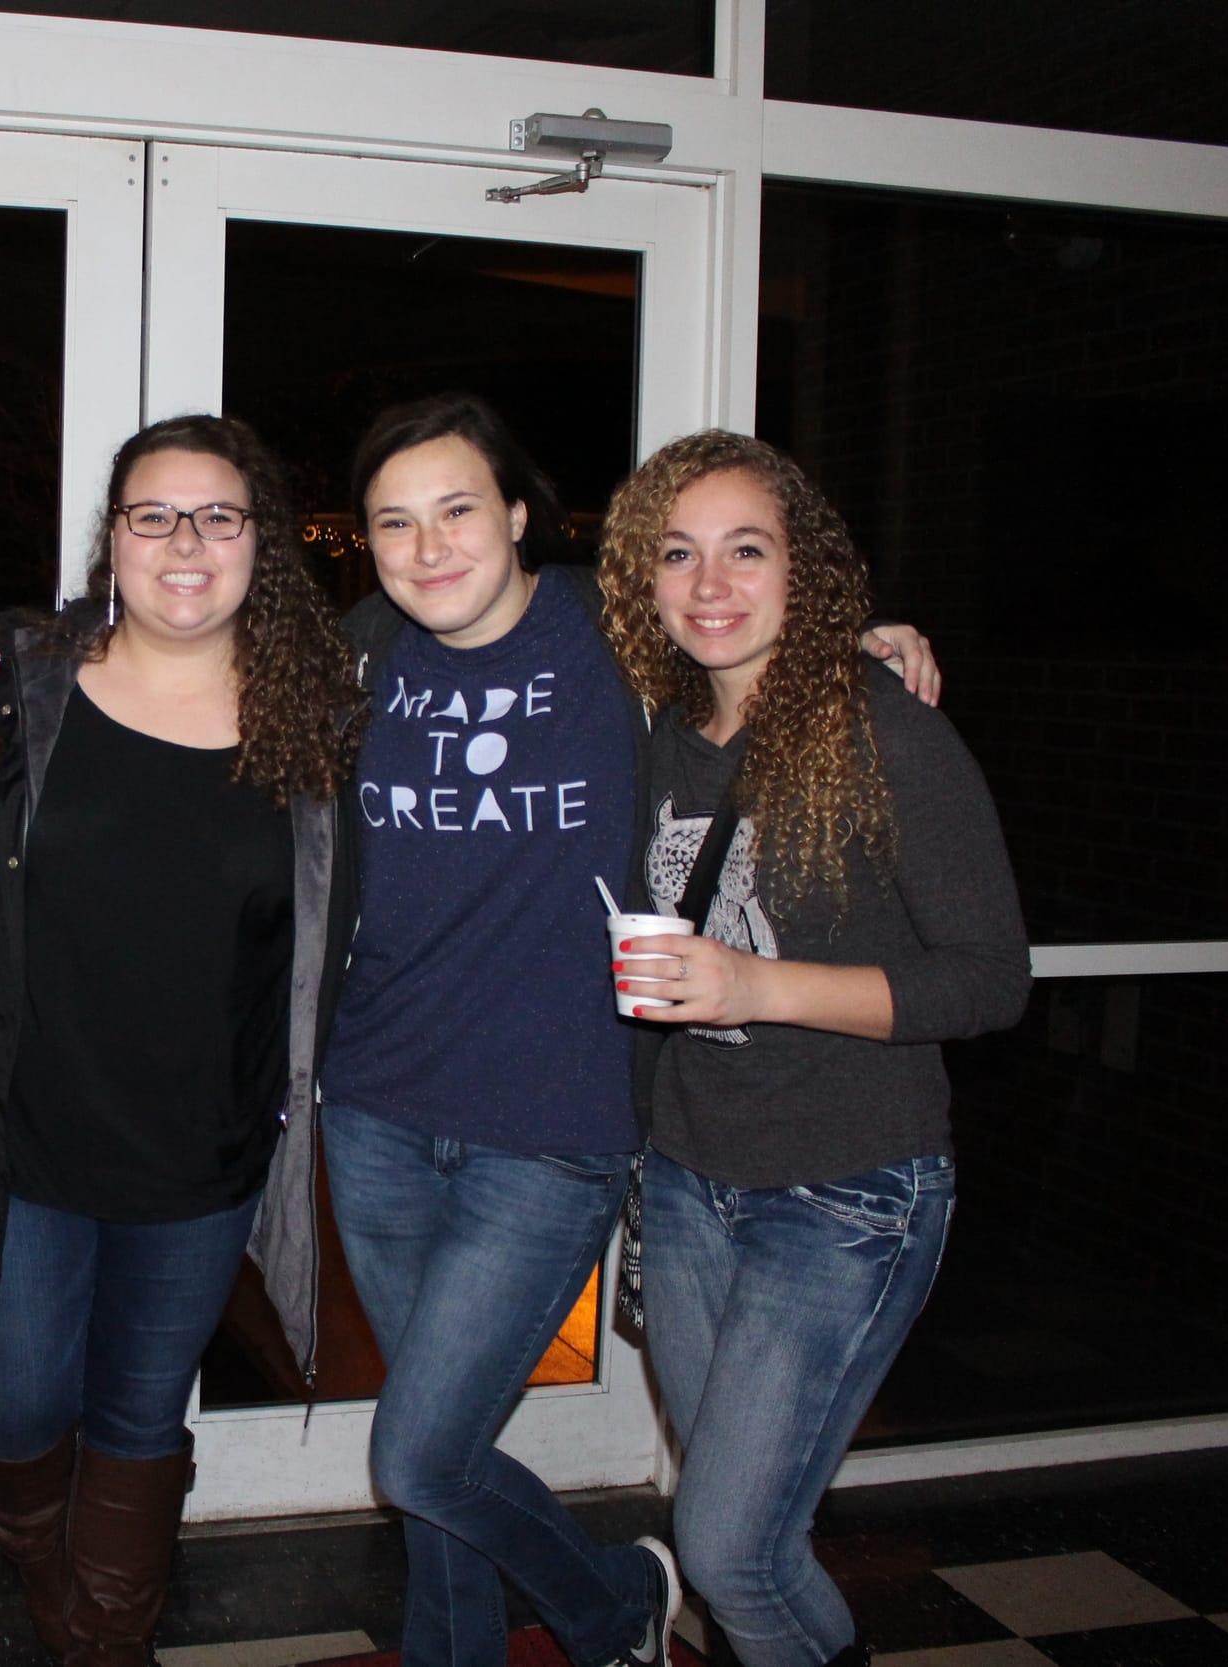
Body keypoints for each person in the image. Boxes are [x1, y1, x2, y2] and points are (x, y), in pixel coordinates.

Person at [321, 394, 938, 1667]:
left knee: (420, 1448)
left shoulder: (617, 636)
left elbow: (745, 636)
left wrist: (863, 643)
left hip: (552, 1125)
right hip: (376, 1108)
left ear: (515, 515)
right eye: (393, 521)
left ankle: (609, 1603)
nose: (428, 546)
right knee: (444, 1452)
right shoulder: (359, 651)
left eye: (455, 511)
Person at [0, 414, 365, 1666]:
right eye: (153, 514)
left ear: (260, 545)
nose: (186, 542)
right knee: (14, 1405)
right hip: (22, 1142)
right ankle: (75, 1600)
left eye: (219, 516)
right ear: (110, 539)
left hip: (199, 1161)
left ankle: (104, 1637)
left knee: (136, 1414)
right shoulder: (19, 676)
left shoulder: (319, 720)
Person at [597, 431, 1028, 1667]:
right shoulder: (664, 735)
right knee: (750, 1532)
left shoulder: (886, 731)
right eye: (678, 555)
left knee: (727, 1543)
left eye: (748, 550)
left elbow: (991, 980)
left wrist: (753, 981)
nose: (711, 583)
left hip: (845, 1192)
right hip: (687, 1181)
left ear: (808, 571)